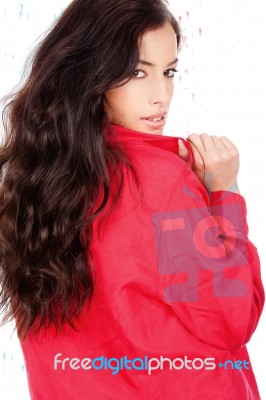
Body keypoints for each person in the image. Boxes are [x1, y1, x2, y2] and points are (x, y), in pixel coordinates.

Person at [0, 0, 264, 399]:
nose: (162, 95)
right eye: (137, 72)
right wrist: (225, 192)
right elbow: (229, 318)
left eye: (169, 71)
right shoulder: (163, 181)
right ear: (91, 73)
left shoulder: (34, 180)